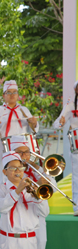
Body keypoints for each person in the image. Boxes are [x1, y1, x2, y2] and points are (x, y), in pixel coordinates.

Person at [8, 136, 55, 249]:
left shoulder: (37, 170)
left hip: (38, 219)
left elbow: (51, 189)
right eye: (20, 152)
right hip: (19, 221)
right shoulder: (10, 171)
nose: (24, 156)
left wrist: (41, 172)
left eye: (26, 152)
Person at [0, 80, 39, 170]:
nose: (12, 95)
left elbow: (33, 129)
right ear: (3, 95)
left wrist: (34, 123)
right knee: (5, 172)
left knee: (24, 171)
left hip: (22, 149)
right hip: (4, 147)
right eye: (8, 92)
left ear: (18, 95)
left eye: (14, 92)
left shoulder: (24, 110)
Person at [53, 80, 78, 216]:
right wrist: (61, 123)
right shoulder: (71, 105)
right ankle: (77, 206)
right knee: (77, 176)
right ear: (76, 90)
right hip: (76, 144)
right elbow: (57, 123)